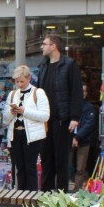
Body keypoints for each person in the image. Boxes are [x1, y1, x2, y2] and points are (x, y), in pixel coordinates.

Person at [36, 33, 84, 192]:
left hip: (62, 120)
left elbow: (76, 91)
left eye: (44, 43)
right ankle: (46, 194)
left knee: (61, 159)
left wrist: (75, 117)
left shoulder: (69, 65)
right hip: (45, 121)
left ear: (53, 46)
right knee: (46, 158)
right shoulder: (43, 66)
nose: (42, 46)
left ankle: (62, 195)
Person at [1, 65, 49, 191]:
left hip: (32, 137)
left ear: (29, 78)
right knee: (19, 168)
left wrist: (25, 111)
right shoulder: (12, 94)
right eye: (17, 81)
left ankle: (32, 198)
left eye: (22, 81)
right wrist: (12, 112)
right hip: (15, 135)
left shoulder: (38, 93)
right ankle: (20, 198)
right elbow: (5, 120)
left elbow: (45, 116)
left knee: (30, 167)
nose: (19, 84)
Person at [72, 84, 99, 190]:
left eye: (84, 91)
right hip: (69, 139)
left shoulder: (89, 107)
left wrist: (77, 137)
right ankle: (62, 190)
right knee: (65, 165)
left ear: (86, 93)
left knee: (80, 168)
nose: (81, 93)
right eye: (80, 90)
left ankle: (76, 190)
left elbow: (89, 124)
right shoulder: (70, 105)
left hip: (84, 141)